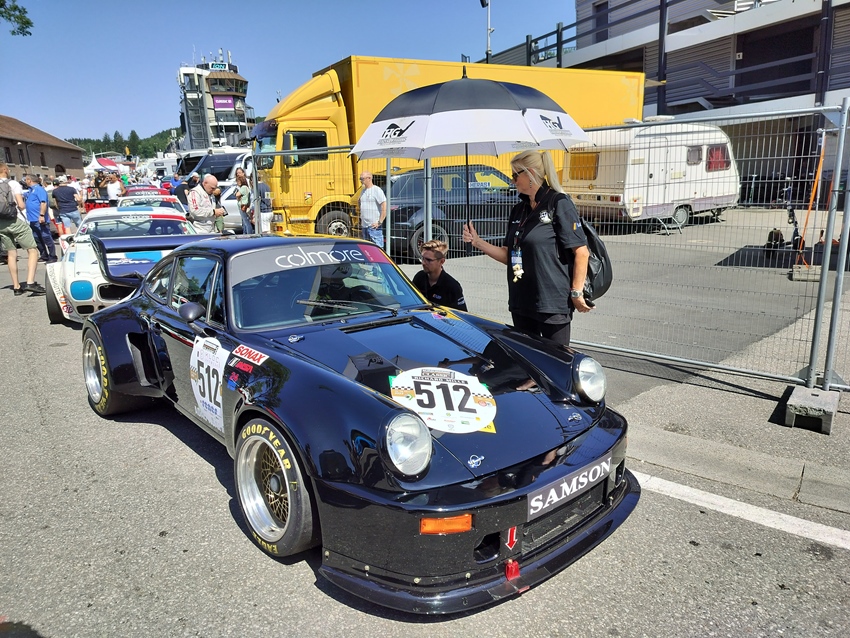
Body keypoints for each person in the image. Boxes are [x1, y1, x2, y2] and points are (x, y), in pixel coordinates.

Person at [462, 149, 591, 347]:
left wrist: (577, 292)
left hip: (551, 304)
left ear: (530, 174)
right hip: (521, 301)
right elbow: (508, 255)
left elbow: (581, 252)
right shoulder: (519, 209)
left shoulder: (558, 203)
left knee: (555, 361)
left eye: (515, 175)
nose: (512, 180)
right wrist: (477, 241)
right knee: (526, 360)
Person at [0, 163, 45, 295]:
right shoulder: (12, 183)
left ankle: (16, 286)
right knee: (32, 250)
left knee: (11, 253)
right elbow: (21, 205)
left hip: (1, 224)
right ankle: (30, 282)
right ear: (4, 170)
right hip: (15, 220)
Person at [412, 239, 467, 311]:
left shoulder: (452, 286)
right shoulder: (419, 277)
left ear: (441, 261)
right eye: (423, 258)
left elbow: (461, 314)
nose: (423, 263)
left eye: (428, 260)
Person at [24, 175, 57, 263]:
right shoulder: (30, 190)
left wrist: (41, 215)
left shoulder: (39, 189)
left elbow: (43, 202)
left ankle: (52, 256)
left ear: (29, 180)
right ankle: (44, 255)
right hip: (32, 219)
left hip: (39, 218)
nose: (25, 181)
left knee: (46, 237)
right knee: (37, 238)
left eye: (26, 179)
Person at [358, 172, 386, 246]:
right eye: (360, 179)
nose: (361, 181)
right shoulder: (363, 191)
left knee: (377, 247)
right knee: (367, 248)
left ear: (369, 178)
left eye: (362, 179)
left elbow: (384, 205)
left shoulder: (377, 190)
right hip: (364, 226)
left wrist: (380, 222)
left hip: (374, 226)